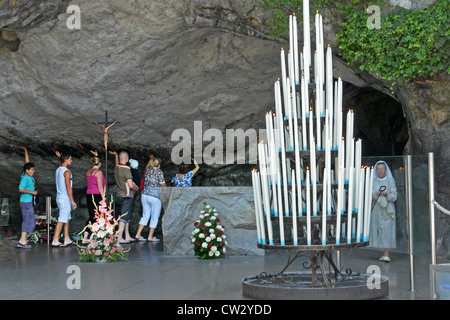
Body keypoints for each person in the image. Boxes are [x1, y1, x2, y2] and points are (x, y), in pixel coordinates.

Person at [370, 160, 397, 262]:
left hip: (387, 210)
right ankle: (383, 253)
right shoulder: (373, 182)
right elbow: (370, 194)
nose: (380, 171)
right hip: (376, 210)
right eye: (378, 169)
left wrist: (386, 194)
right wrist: (375, 194)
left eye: (382, 169)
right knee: (379, 231)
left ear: (385, 170)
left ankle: (387, 254)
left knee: (387, 231)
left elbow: (394, 196)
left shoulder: (391, 182)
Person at [135, 157, 166, 242]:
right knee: (154, 217)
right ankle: (150, 236)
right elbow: (163, 185)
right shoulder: (159, 172)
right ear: (158, 164)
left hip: (144, 195)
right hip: (155, 196)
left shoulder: (148, 170)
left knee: (145, 215)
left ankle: (138, 234)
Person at [113, 151, 138, 244]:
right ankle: (119, 237)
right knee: (124, 217)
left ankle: (127, 235)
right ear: (127, 158)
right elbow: (131, 185)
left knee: (126, 216)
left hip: (119, 194)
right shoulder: (126, 170)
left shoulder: (116, 168)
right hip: (127, 196)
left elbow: (117, 164)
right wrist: (136, 188)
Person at [52, 152, 77, 247]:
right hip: (65, 197)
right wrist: (72, 200)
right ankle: (55, 239)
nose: (72, 161)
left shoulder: (58, 169)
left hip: (60, 196)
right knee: (62, 218)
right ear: (66, 160)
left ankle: (67, 238)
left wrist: (60, 157)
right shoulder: (67, 172)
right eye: (70, 159)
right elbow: (68, 187)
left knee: (67, 218)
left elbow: (60, 163)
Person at [83, 150, 106, 244]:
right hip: (96, 195)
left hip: (89, 195)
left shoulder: (88, 171)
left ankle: (85, 236)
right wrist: (103, 198)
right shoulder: (98, 172)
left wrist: (96, 156)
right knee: (97, 216)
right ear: (99, 163)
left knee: (91, 216)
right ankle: (96, 237)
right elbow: (100, 186)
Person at [17, 146, 37, 249]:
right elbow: (20, 189)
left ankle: (23, 239)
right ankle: (22, 240)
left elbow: (26, 163)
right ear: (27, 170)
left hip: (28, 201)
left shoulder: (27, 175)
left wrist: (25, 151)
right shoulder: (25, 178)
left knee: (30, 219)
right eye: (32, 170)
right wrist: (32, 192)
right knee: (27, 220)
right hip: (25, 201)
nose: (33, 171)